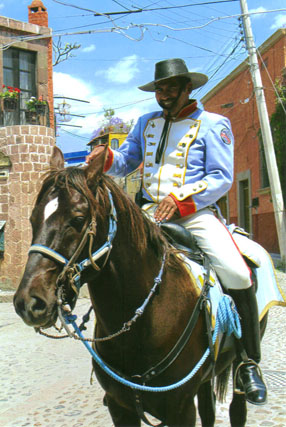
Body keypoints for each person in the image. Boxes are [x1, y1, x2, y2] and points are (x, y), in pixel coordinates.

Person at [86, 58, 267, 405]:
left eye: (170, 87)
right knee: (108, 262)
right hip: (149, 213)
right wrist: (106, 157)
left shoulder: (214, 124)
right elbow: (128, 160)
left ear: (188, 88)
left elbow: (220, 178)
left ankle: (247, 362)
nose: (163, 94)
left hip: (193, 213)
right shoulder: (145, 123)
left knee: (236, 272)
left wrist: (180, 199)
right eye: (159, 88)